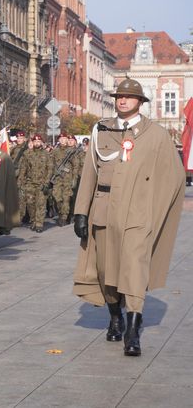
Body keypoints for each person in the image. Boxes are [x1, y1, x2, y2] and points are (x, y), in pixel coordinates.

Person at [72, 78, 185, 356]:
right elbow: (90, 174)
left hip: (137, 214)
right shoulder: (101, 130)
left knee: (134, 269)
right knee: (105, 270)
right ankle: (115, 316)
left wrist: (153, 208)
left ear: (140, 102)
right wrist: (80, 212)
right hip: (104, 209)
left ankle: (133, 331)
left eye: (129, 97)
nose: (122, 100)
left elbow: (173, 176)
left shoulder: (155, 134)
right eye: (119, 96)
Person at [19, 134, 52, 233]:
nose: (37, 143)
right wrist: (20, 182)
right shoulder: (27, 154)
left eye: (39, 141)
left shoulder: (46, 154)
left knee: (41, 204)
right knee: (30, 204)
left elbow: (50, 169)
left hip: (42, 183)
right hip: (29, 183)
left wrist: (47, 182)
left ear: (41, 142)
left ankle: (39, 224)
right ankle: (33, 220)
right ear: (32, 143)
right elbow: (23, 169)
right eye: (35, 142)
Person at [49, 133, 78, 226]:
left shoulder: (71, 151)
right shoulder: (55, 151)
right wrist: (53, 173)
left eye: (64, 139)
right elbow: (50, 164)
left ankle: (64, 218)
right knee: (57, 197)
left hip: (67, 179)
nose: (62, 140)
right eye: (61, 139)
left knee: (66, 199)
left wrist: (74, 179)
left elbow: (76, 166)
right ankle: (62, 212)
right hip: (57, 179)